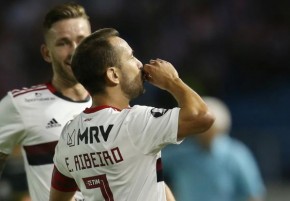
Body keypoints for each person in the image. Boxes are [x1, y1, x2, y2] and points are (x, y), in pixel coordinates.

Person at [49, 27, 215, 201]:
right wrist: (172, 81)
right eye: (130, 57)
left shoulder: (69, 135)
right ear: (113, 75)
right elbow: (202, 117)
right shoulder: (134, 123)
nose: (139, 64)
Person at [0, 3, 92, 201]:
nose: (75, 50)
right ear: (46, 53)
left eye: (82, 40)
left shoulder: (116, 100)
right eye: (63, 43)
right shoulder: (21, 105)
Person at [162, 96, 266, 201]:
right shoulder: (181, 153)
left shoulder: (236, 154)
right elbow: (152, 163)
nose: (204, 131)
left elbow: (253, 194)